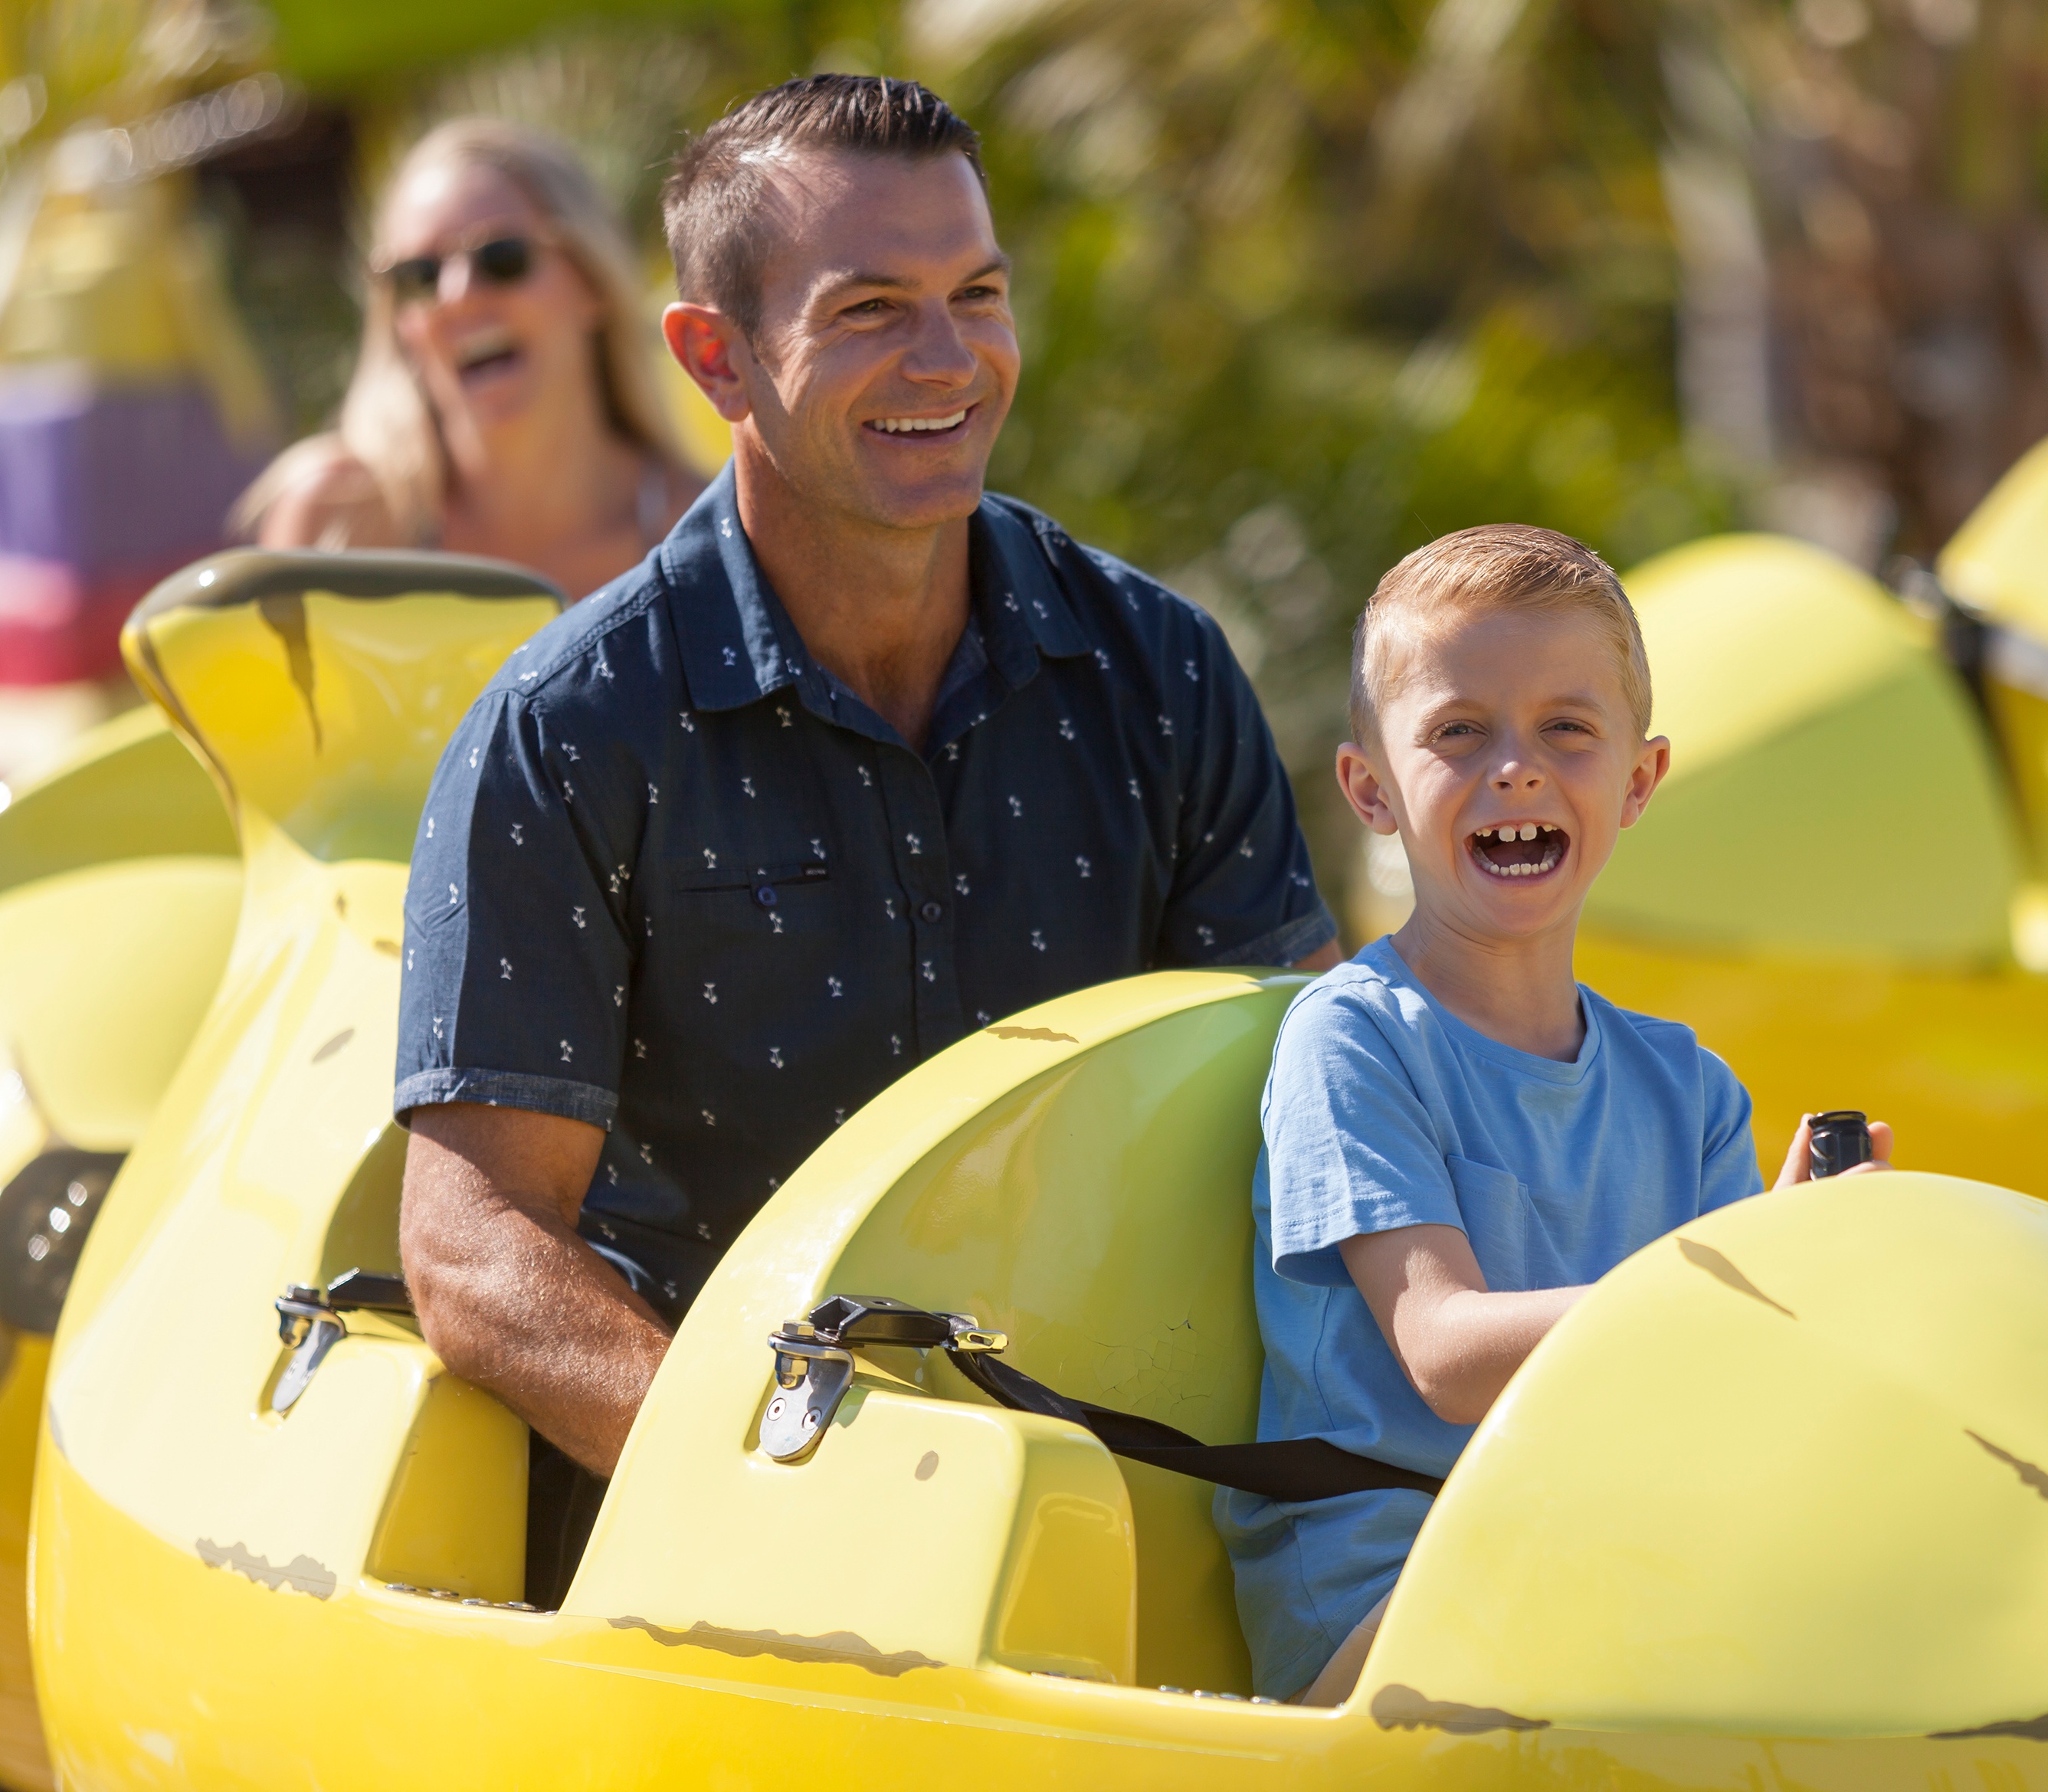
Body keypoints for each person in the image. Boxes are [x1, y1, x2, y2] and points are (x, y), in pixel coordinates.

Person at [390, 77, 1340, 1603]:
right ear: (714, 356)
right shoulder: (565, 728)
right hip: (711, 1583)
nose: (949, 358)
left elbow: (1309, 1128)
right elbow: (474, 1245)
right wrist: (757, 1498)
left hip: (1137, 1533)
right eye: (870, 310)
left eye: (978, 294)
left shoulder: (1161, 671)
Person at [1217, 526, 1892, 1706]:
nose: (1517, 770)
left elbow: (1725, 1383)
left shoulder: (1689, 1086)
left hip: (1615, 1552)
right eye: (1458, 731)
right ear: (1372, 788)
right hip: (1395, 1590)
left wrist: (1803, 1265)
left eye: (1566, 728)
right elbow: (1446, 1352)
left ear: (1638, 781)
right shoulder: (1354, 1038)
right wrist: (1734, 1277)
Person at [236, 119, 703, 598]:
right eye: (419, 276)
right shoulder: (336, 522)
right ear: (400, 325)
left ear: (592, 283)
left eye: (502, 258)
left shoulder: (706, 536)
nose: (456, 296)